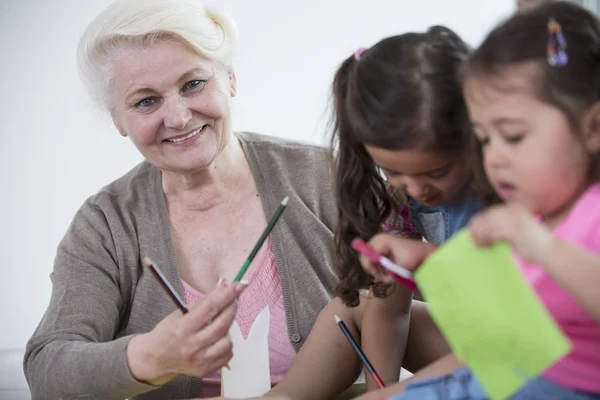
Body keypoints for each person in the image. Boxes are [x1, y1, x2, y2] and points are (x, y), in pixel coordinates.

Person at [23, 0, 340, 399]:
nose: (177, 117)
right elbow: (46, 370)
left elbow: (421, 309)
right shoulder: (105, 223)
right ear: (119, 120)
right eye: (145, 101)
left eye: (193, 84)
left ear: (231, 78)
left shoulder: (325, 177)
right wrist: (152, 357)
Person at [357, 2, 600, 398]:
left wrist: (541, 247)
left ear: (594, 129)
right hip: (512, 376)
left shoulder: (588, 214)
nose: (494, 158)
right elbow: (498, 323)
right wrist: (424, 261)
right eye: (485, 140)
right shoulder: (531, 218)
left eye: (514, 136)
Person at [260, 27, 486, 399]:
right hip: (482, 337)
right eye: (393, 171)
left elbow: (519, 340)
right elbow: (391, 307)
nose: (414, 188)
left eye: (436, 172)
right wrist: (381, 387)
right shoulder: (402, 198)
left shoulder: (507, 192)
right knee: (348, 311)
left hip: (534, 349)